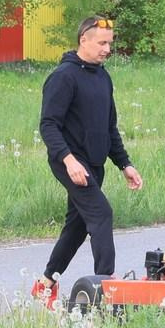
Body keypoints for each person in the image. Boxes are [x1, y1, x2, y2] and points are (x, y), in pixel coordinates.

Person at [32, 15, 142, 306]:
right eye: (102, 43)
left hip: (94, 163)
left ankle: (44, 284)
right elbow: (49, 125)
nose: (107, 49)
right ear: (84, 40)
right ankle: (106, 289)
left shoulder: (103, 76)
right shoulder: (63, 76)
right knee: (102, 213)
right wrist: (69, 161)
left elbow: (109, 127)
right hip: (70, 162)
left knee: (78, 227)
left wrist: (125, 164)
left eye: (110, 43)